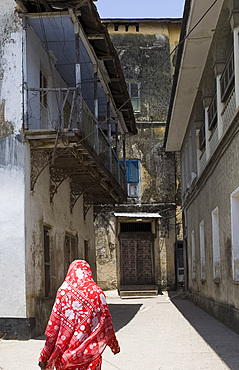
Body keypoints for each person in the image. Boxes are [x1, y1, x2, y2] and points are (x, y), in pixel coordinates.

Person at [38, 260, 120, 370]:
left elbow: (53, 329)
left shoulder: (63, 293)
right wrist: (114, 345)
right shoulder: (97, 293)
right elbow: (107, 323)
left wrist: (44, 356)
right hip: (90, 358)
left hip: (66, 359)